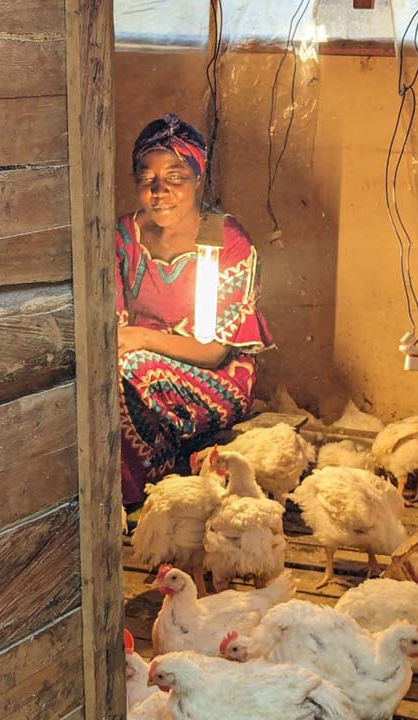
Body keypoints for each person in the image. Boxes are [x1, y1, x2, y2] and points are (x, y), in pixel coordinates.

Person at [117, 114, 273, 507]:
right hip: (133, 367)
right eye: (146, 177)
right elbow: (113, 329)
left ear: (198, 178)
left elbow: (213, 350)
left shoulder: (220, 238)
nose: (159, 191)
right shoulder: (122, 237)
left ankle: (147, 484)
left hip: (216, 375)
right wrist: (130, 340)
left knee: (131, 367)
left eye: (175, 177)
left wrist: (143, 338)